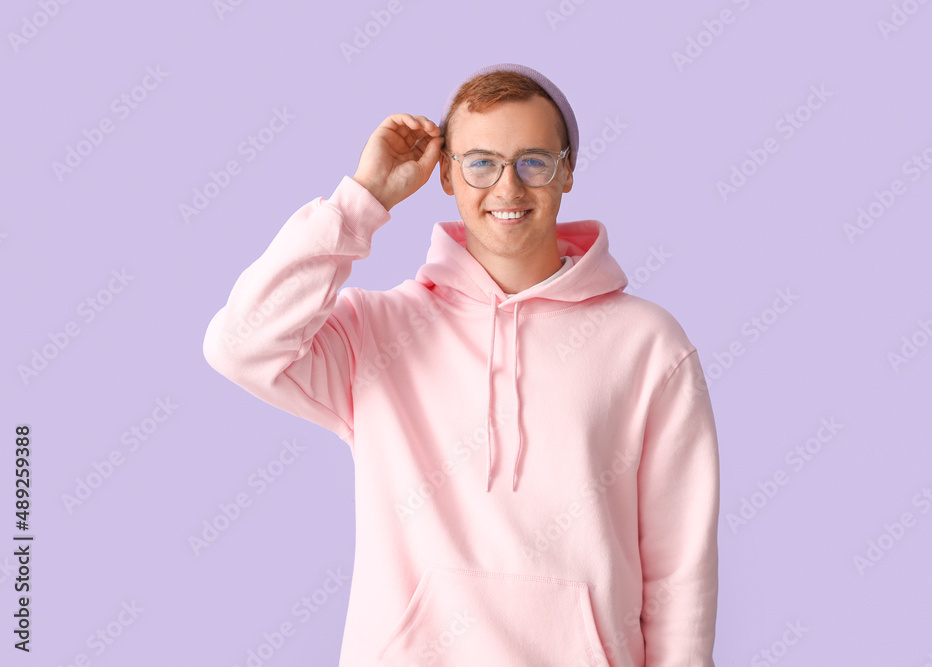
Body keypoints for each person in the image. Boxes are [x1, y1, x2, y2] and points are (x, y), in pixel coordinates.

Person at [203, 62, 720, 667]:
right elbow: (240, 344)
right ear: (446, 174)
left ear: (567, 172)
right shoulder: (377, 332)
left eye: (534, 161)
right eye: (481, 162)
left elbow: (679, 568)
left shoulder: (649, 343)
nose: (507, 187)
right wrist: (362, 200)